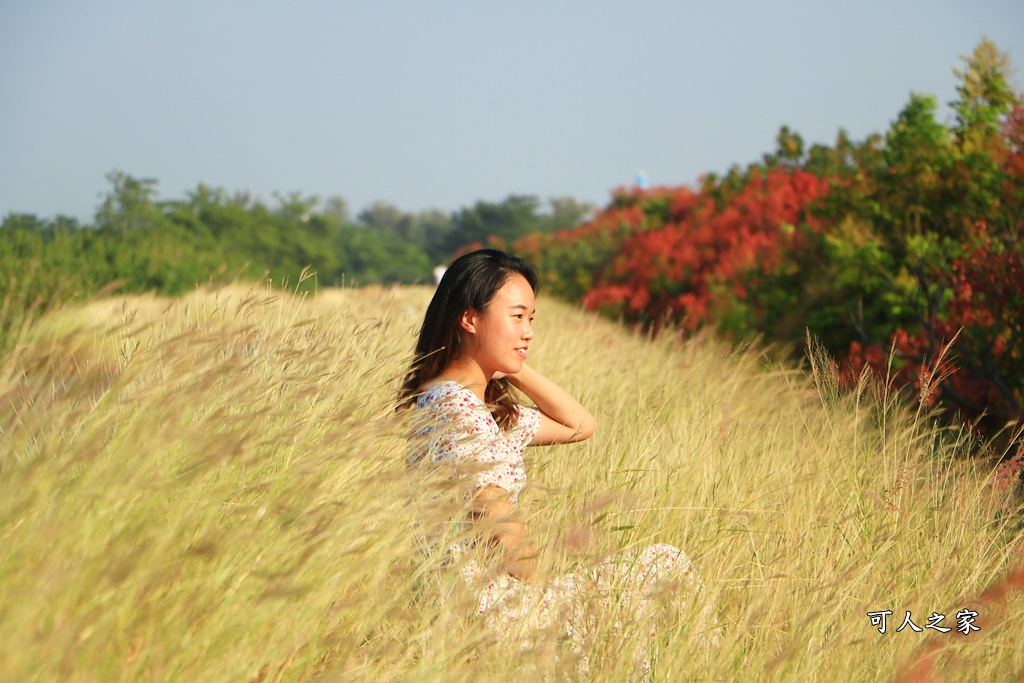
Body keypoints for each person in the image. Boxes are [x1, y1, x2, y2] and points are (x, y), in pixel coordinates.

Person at [399, 249, 717, 672]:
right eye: (516, 317)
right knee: (664, 564)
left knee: (651, 577)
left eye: (532, 319)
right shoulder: (459, 412)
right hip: (488, 609)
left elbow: (579, 425)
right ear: (469, 318)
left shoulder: (467, 405)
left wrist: (510, 366)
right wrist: (540, 593)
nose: (528, 331)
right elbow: (496, 518)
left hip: (461, 603)